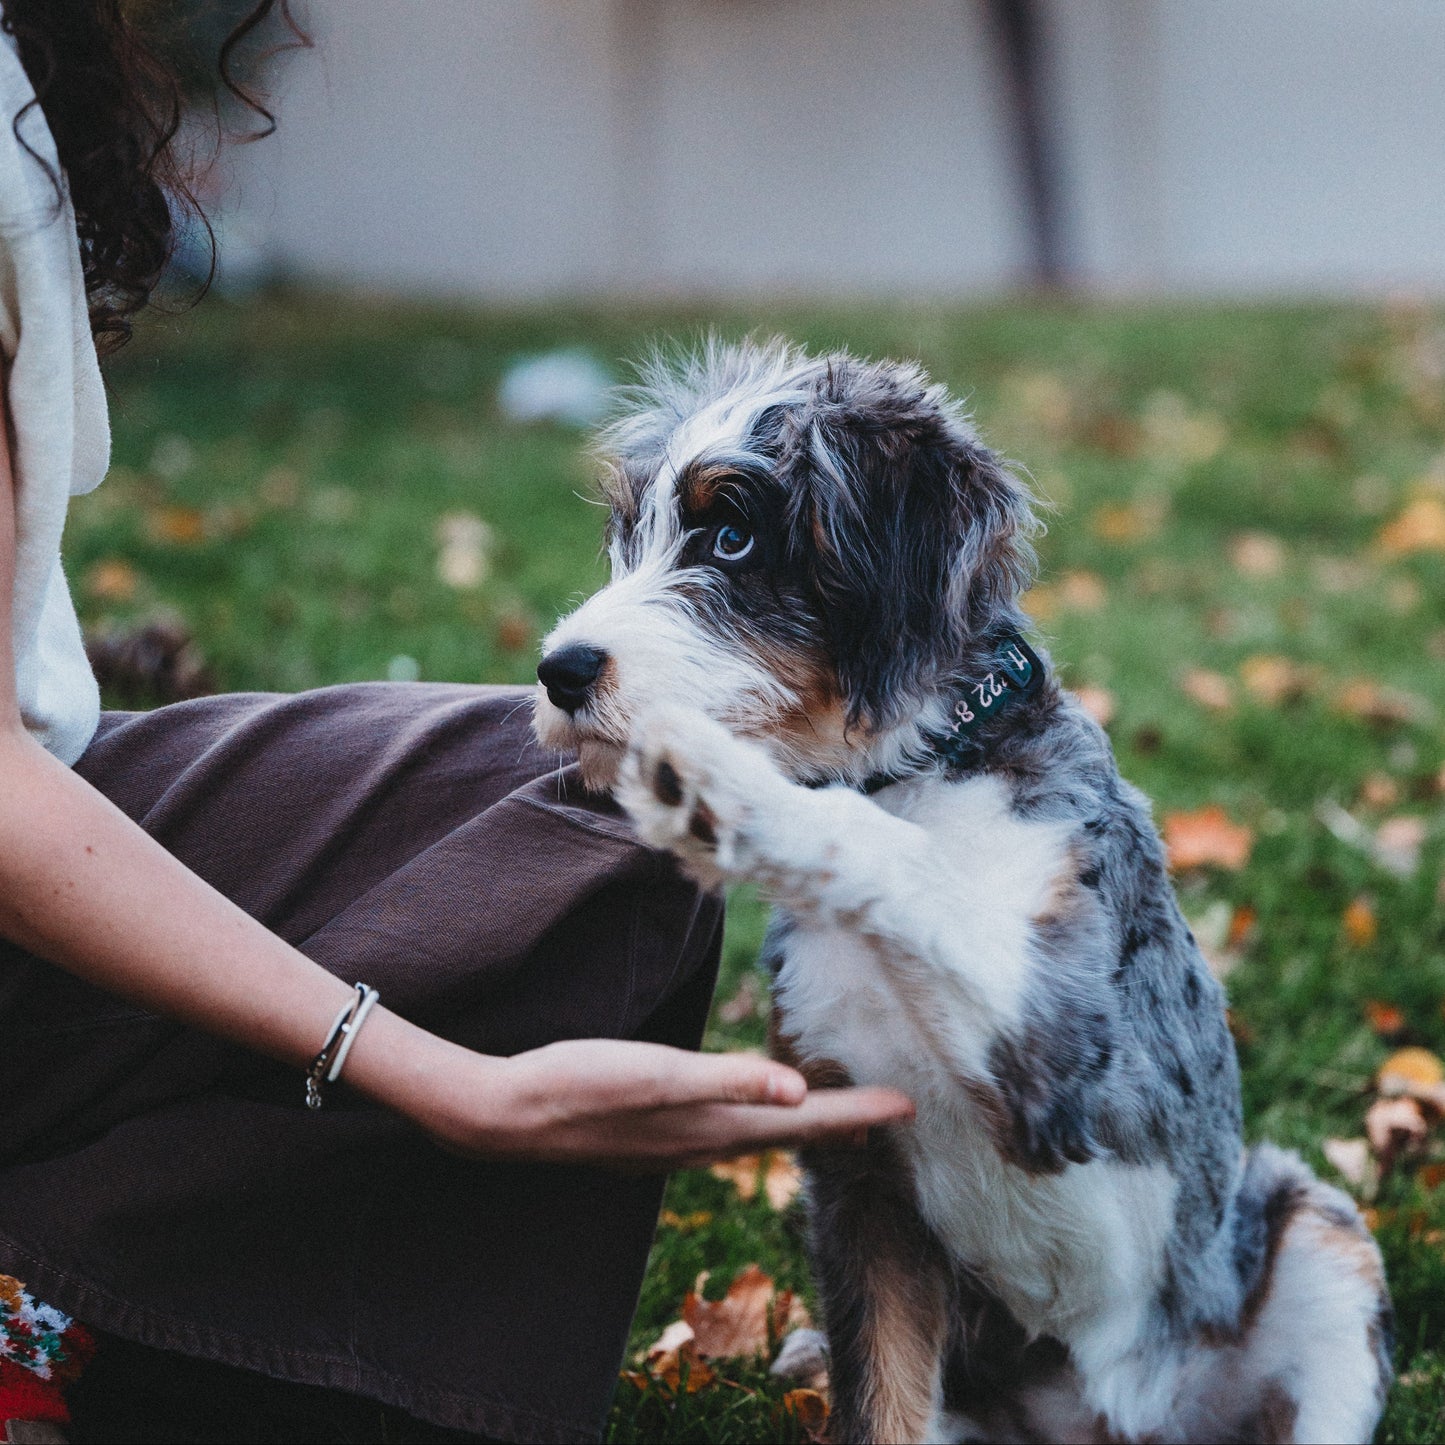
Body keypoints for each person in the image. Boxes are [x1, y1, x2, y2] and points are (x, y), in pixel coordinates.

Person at [0, 4, 912, 1440]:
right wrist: (448, 1082)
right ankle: (54, 1301)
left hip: (56, 786)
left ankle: (100, 1289)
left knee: (625, 781)